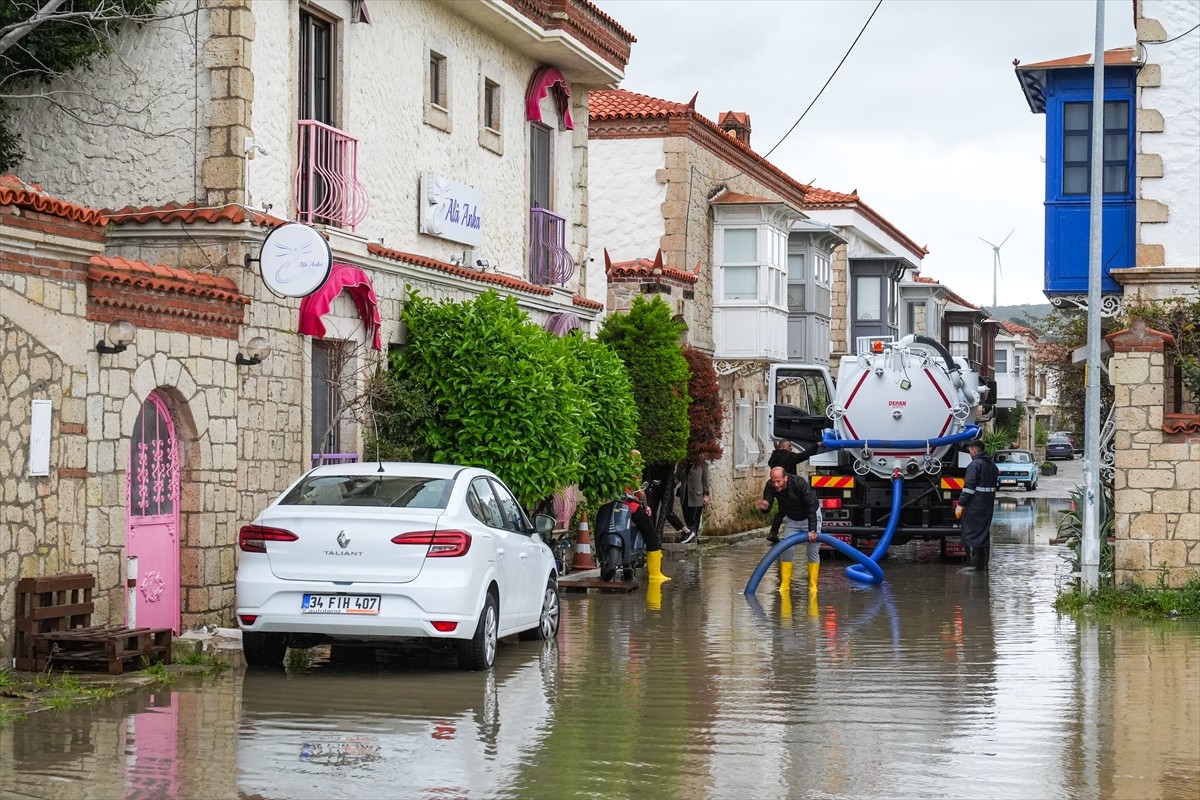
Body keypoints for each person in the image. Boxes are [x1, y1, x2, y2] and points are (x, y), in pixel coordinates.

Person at [755, 466, 822, 596]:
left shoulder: (799, 483)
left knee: (812, 550)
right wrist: (765, 506)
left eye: (778, 481)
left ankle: (813, 585)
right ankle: (785, 584)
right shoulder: (770, 486)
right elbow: (767, 503)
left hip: (810, 516)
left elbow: (810, 506)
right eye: (773, 481)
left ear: (785, 478)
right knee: (786, 549)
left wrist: (812, 529)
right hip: (791, 518)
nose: (776, 484)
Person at [766, 439, 821, 543]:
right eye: (789, 446)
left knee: (781, 510)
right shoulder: (789, 457)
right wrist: (816, 445)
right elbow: (804, 455)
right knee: (785, 509)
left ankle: (773, 532)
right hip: (790, 488)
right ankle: (775, 532)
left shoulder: (773, 458)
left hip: (780, 491)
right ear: (784, 447)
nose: (791, 448)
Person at [955, 439, 999, 571]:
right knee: (983, 532)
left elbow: (969, 487)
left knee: (970, 532)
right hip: (987, 505)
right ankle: (982, 566)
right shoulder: (992, 465)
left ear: (974, 450)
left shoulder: (974, 465)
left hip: (975, 505)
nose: (969, 452)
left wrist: (960, 504)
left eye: (969, 450)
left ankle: (971, 566)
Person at [629, 451, 670, 582]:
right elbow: (640, 494)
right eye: (639, 459)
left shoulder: (620, 472)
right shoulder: (633, 473)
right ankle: (655, 574)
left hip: (620, 508)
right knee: (651, 536)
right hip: (633, 507)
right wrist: (646, 506)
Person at [673, 460, 709, 544]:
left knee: (694, 518)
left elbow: (705, 480)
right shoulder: (682, 463)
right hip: (685, 494)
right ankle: (691, 537)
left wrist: (706, 495)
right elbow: (677, 476)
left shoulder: (702, 463)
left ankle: (691, 537)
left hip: (697, 495)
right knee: (687, 516)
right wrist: (671, 484)